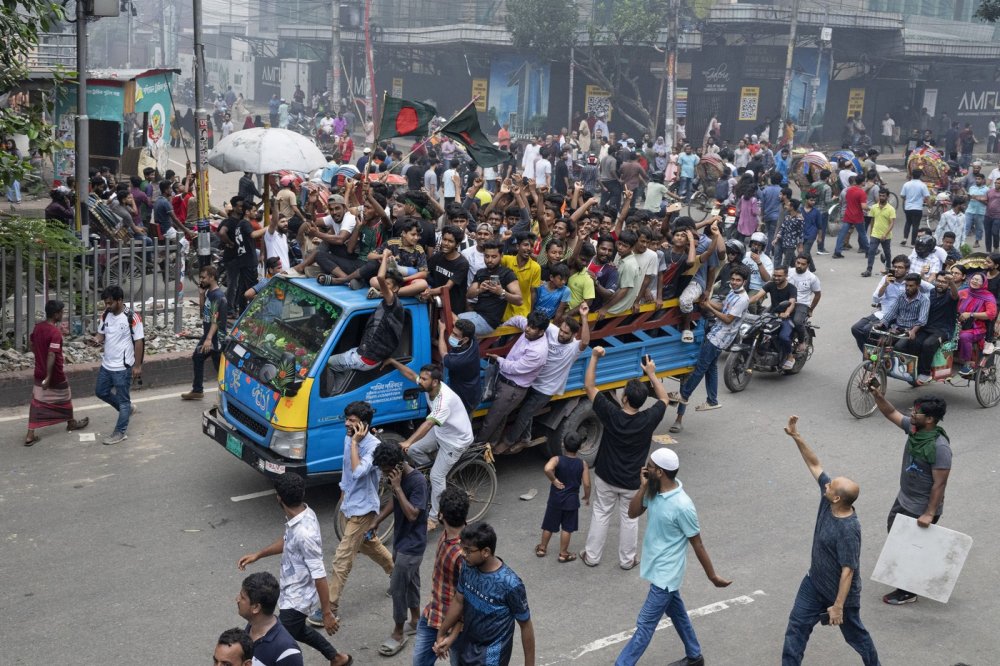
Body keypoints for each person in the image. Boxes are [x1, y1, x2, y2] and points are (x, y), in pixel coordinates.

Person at [615, 447, 731, 666]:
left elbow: (698, 544)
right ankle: (695, 656)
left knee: (645, 625)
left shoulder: (683, 506)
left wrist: (712, 576)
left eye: (649, 467)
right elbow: (632, 513)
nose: (644, 469)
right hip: (658, 568)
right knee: (677, 613)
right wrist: (643, 487)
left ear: (659, 472)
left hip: (665, 575)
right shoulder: (653, 490)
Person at [781, 417, 880, 666]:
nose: (826, 485)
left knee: (856, 636)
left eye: (830, 487)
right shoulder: (829, 501)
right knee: (796, 628)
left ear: (836, 498)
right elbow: (814, 464)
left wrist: (838, 606)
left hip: (840, 594)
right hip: (814, 583)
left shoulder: (848, 529)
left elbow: (848, 571)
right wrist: (797, 436)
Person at [237, 474, 352, 666]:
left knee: (270, 640)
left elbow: (319, 575)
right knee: (298, 630)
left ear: (279, 498)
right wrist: (258, 554)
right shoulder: (304, 513)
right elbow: (288, 542)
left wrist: (326, 613)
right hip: (290, 591)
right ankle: (337, 658)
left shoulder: (304, 533)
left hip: (298, 599)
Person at [580, 349, 670, 569]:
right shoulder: (649, 418)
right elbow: (665, 398)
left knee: (601, 513)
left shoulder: (612, 414)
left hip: (606, 476)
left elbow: (590, 387)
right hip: (632, 481)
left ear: (625, 398)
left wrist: (594, 357)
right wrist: (651, 373)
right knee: (630, 518)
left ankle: (592, 556)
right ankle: (627, 560)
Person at [867, 389, 952, 606]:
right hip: (904, 498)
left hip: (920, 507)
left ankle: (907, 591)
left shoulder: (939, 447)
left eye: (917, 413)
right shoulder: (915, 430)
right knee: (897, 539)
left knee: (907, 548)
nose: (912, 415)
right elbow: (891, 413)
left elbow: (939, 484)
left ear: (930, 419)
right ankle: (917, 571)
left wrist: (929, 513)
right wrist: (877, 396)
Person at [433, 522, 535, 666]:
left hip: (491, 657)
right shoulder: (467, 567)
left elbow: (525, 625)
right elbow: (458, 600)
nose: (462, 554)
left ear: (485, 552)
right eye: (462, 548)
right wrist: (442, 633)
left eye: (468, 550)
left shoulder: (511, 584)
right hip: (467, 646)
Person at [497, 305, 590, 454]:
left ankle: (508, 442)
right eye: (562, 330)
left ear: (573, 335)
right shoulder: (552, 330)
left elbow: (585, 341)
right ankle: (525, 438)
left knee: (525, 414)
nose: (562, 334)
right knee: (523, 411)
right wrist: (505, 325)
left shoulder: (574, 348)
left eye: (566, 333)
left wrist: (584, 317)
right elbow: (529, 323)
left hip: (546, 389)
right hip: (532, 381)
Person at [667, 265, 751, 430]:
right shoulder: (733, 293)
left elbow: (728, 319)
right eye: (733, 279)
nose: (734, 282)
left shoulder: (743, 299)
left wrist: (709, 307)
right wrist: (707, 302)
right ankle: (712, 400)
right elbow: (723, 308)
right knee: (711, 368)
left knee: (700, 368)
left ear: (745, 282)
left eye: (738, 280)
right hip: (716, 334)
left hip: (720, 338)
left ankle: (684, 395)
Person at [392, 363, 474, 529]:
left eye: (423, 379)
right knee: (414, 450)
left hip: (455, 441)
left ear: (435, 382)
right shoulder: (429, 387)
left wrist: (408, 441)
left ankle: (434, 518)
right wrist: (392, 362)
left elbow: (428, 424)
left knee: (437, 476)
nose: (420, 381)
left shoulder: (444, 400)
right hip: (441, 431)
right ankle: (432, 480)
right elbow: (410, 374)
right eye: (421, 378)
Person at [372, 440, 429, 657]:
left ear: (398, 465)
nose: (385, 475)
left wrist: (396, 487)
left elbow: (413, 514)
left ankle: (398, 632)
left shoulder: (417, 482)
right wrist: (377, 520)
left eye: (387, 470)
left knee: (397, 588)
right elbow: (395, 502)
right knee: (411, 583)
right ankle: (415, 620)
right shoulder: (398, 478)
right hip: (401, 540)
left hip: (413, 545)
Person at [412, 487, 469, 666]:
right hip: (433, 613)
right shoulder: (447, 535)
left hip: (456, 625)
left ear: (441, 515)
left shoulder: (464, 555)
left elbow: (467, 600)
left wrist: (450, 636)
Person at [24, 300, 89, 446]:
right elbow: (52, 354)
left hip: (39, 371)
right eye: (62, 312)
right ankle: (70, 423)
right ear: (56, 314)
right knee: (65, 396)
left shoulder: (38, 327)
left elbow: (31, 344)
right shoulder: (55, 333)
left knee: (37, 402)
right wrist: (48, 376)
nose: (63, 314)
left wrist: (39, 357)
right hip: (54, 374)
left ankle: (30, 434)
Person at [326, 264, 404, 372]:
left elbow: (380, 277)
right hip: (371, 355)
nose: (383, 286)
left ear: (395, 288)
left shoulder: (392, 302)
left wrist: (385, 255)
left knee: (326, 362)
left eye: (387, 284)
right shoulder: (395, 305)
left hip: (365, 358)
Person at [92, 285, 144, 446]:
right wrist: (96, 340)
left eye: (109, 303)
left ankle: (120, 432)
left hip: (123, 368)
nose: (107, 306)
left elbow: (139, 342)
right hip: (107, 365)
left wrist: (137, 365)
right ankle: (127, 409)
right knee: (101, 392)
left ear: (120, 300)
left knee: (122, 400)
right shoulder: (106, 314)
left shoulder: (132, 317)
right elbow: (101, 334)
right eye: (105, 303)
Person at [535, 430, 591, 562]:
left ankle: (542, 548)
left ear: (563, 444)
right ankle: (563, 553)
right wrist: (587, 496)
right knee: (567, 528)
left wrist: (553, 480)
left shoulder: (556, 459)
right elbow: (587, 484)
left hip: (555, 499)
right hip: (571, 502)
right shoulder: (582, 464)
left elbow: (547, 468)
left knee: (549, 525)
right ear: (580, 447)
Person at [233, 573, 302, 666]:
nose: (237, 599)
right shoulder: (251, 626)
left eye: (242, 597)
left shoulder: (287, 652)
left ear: (256, 607)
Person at [181, 265, 227, 400]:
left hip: (216, 338)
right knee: (198, 357)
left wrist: (208, 339)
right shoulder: (209, 293)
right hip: (208, 336)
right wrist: (201, 295)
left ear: (212, 278)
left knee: (220, 370)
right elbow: (203, 314)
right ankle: (197, 390)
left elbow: (215, 320)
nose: (201, 280)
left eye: (203, 277)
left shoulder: (218, 296)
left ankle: (224, 399)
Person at [459, 241, 523, 335]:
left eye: (494, 257)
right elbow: (469, 295)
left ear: (501, 256)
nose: (489, 260)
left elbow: (519, 300)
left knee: (456, 324)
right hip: (476, 315)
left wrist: (501, 292)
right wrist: (480, 290)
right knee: (447, 319)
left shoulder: (507, 274)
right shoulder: (481, 273)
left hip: (489, 322)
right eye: (486, 256)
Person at [749, 265, 798, 369]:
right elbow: (757, 296)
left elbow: (792, 303)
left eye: (779, 276)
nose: (776, 278)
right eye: (774, 275)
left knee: (783, 337)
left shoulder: (791, 288)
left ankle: (790, 356)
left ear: (786, 276)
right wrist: (743, 302)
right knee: (755, 329)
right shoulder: (770, 285)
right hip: (773, 314)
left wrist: (787, 313)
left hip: (786, 317)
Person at [955, 271, 998, 376]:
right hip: (958, 324)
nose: (974, 281)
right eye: (973, 279)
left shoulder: (988, 296)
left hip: (977, 328)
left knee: (964, 336)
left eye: (977, 280)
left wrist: (971, 314)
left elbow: (991, 314)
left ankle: (968, 364)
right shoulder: (963, 292)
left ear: (983, 283)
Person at [436, 318, 481, 415]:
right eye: (452, 332)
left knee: (462, 425)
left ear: (465, 339)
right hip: (473, 389)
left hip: (464, 399)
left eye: (455, 335)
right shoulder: (473, 341)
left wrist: (441, 331)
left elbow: (443, 352)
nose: (451, 336)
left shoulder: (458, 361)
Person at [833, 176, 870, 259]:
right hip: (857, 216)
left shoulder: (848, 190)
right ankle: (868, 250)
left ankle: (837, 251)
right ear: (863, 182)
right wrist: (870, 208)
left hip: (848, 214)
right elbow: (863, 207)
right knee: (862, 234)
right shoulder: (861, 192)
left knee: (842, 234)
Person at [863, 189, 896, 277]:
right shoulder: (874, 207)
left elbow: (892, 223)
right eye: (880, 195)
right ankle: (868, 270)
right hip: (875, 234)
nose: (881, 197)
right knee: (871, 251)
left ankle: (888, 269)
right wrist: (871, 232)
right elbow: (872, 220)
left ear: (887, 197)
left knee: (887, 253)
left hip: (886, 236)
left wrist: (885, 234)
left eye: (883, 196)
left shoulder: (891, 209)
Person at [900, 169, 931, 247]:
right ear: (920, 175)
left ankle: (905, 239)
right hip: (917, 208)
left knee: (908, 223)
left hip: (908, 208)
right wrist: (929, 205)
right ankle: (913, 242)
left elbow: (902, 195)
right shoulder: (922, 185)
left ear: (912, 175)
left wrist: (907, 199)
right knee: (915, 225)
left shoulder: (906, 184)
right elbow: (927, 197)